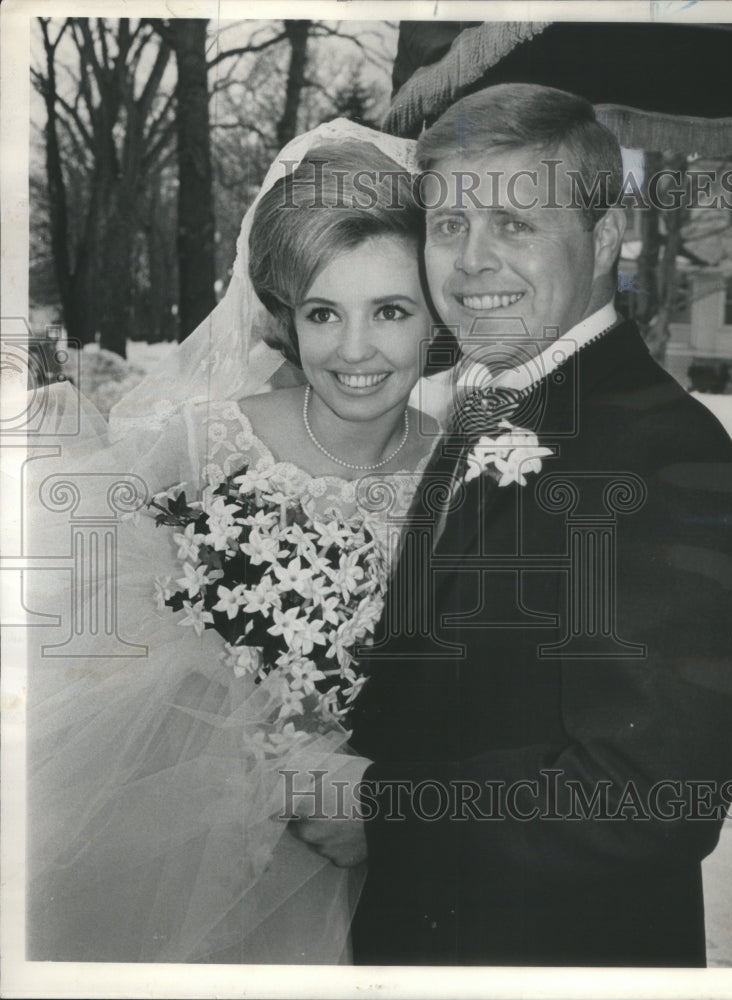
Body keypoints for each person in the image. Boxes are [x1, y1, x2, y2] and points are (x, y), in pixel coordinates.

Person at [291, 84, 732, 966]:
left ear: (606, 239)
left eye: (514, 226)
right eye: (448, 226)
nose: (470, 264)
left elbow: (655, 793)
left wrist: (386, 812)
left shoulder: (664, 455)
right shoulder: (483, 407)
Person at [26, 120, 440, 963]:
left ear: (437, 316)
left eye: (390, 310)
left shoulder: (464, 470)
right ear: (287, 316)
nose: (355, 350)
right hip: (187, 836)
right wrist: (257, 745)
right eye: (324, 312)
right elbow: (92, 629)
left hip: (385, 859)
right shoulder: (203, 444)